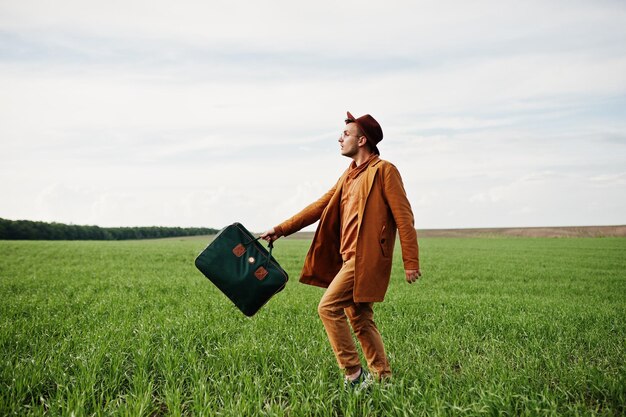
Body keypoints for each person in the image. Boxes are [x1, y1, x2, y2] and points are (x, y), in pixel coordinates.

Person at [261, 111, 420, 388]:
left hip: (364, 259)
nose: (339, 138)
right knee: (359, 319)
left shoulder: (384, 171)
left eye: (345, 134)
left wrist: (411, 261)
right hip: (345, 257)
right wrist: (282, 228)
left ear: (362, 140)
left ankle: (354, 375)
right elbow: (320, 206)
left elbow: (404, 217)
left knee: (328, 308)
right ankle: (383, 379)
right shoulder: (348, 175)